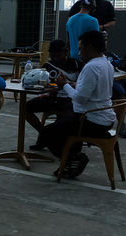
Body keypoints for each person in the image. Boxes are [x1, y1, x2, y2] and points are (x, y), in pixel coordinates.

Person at [35, 30, 115, 179]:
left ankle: (73, 159)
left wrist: (64, 85)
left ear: (89, 47)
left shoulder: (91, 67)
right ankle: (69, 161)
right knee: (63, 122)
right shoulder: (106, 62)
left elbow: (80, 99)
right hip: (106, 117)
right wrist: (76, 83)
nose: (79, 52)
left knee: (47, 133)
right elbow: (92, 89)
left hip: (91, 120)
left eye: (80, 48)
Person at [26, 39, 80, 139]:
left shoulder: (76, 64)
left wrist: (73, 84)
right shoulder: (47, 66)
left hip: (72, 99)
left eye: (59, 55)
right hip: (53, 97)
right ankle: (44, 133)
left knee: (69, 116)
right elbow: (40, 83)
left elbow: (84, 82)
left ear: (65, 52)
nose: (56, 58)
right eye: (53, 55)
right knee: (25, 108)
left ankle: (51, 136)